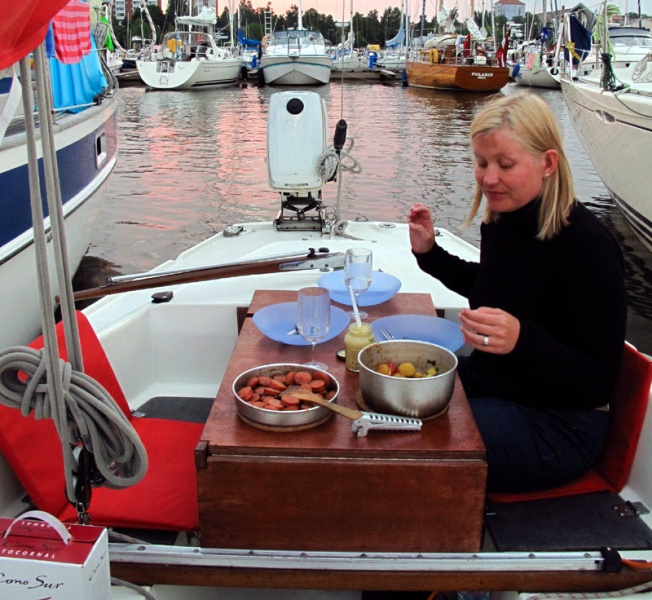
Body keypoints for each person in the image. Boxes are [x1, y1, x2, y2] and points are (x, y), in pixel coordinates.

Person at [407, 92, 627, 494]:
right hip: (500, 385)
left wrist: (522, 340)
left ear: (548, 163)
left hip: (561, 424)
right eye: (481, 163)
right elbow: (497, 287)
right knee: (396, 393)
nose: (489, 178)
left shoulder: (588, 245)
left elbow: (596, 382)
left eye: (505, 164)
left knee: (411, 439)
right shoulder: (505, 219)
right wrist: (431, 255)